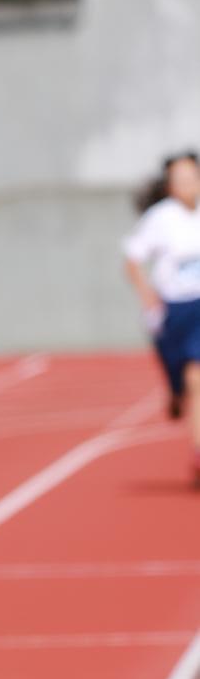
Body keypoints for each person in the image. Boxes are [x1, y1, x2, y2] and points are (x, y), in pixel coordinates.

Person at [123, 149, 200, 479]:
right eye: (180, 180)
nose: (188, 185)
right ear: (170, 186)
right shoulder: (160, 218)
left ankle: (198, 455)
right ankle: (175, 392)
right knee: (183, 384)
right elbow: (132, 258)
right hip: (174, 310)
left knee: (197, 379)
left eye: (192, 177)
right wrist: (147, 296)